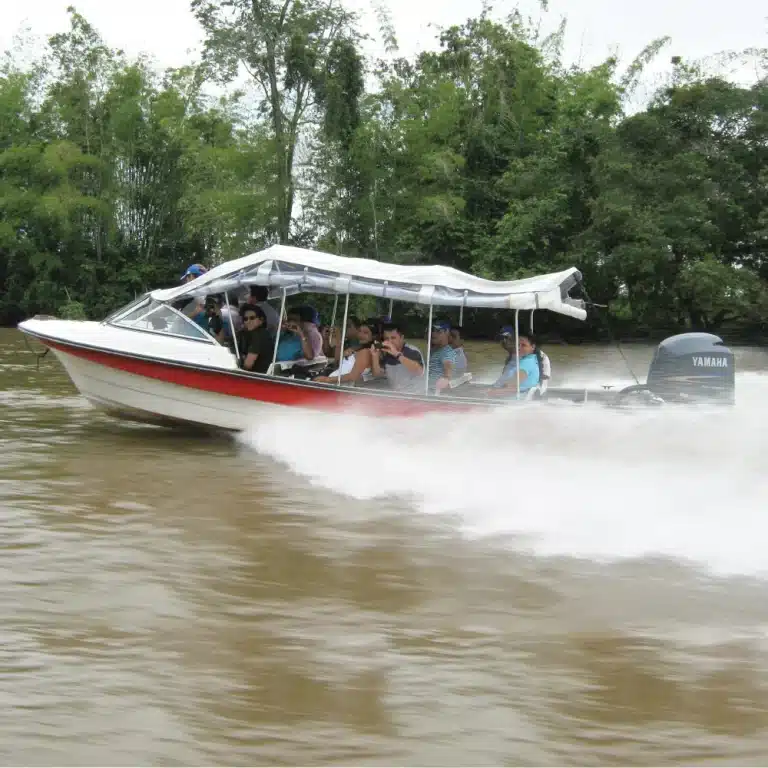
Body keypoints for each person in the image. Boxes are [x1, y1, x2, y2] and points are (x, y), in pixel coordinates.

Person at [315, 320, 376, 386]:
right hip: (334, 383)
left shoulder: (365, 352)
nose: (361, 335)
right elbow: (337, 364)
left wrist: (326, 380)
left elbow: (353, 376)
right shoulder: (356, 350)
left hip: (338, 386)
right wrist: (338, 340)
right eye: (359, 331)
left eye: (366, 333)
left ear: (373, 337)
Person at [370, 321, 425, 394]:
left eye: (393, 338)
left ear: (402, 338)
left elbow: (419, 371)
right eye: (386, 338)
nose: (390, 341)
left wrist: (397, 354)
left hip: (415, 395)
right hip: (397, 396)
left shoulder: (412, 351)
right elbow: (377, 374)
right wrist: (375, 356)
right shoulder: (386, 354)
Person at [487, 328, 540, 396]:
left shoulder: (525, 364)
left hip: (513, 399)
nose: (519, 348)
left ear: (532, 347)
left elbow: (512, 387)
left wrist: (490, 392)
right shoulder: (530, 359)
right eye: (518, 345)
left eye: (523, 345)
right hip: (515, 394)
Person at [237, 305, 272, 373]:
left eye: (252, 318)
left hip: (257, 377)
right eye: (245, 319)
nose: (248, 321)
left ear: (261, 320)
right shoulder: (263, 333)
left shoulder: (258, 335)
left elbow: (247, 365)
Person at [427, 320, 457, 393]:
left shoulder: (447, 352)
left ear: (446, 332)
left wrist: (446, 379)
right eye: (433, 330)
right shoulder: (433, 350)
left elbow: (448, 372)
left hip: (433, 394)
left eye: (438, 331)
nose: (434, 333)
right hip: (425, 391)